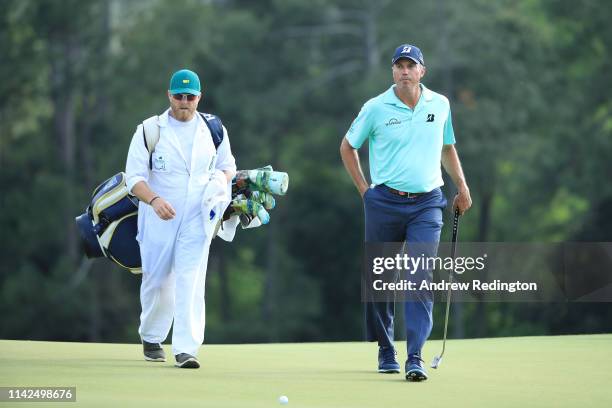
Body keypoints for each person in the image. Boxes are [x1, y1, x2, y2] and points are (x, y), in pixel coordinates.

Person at [340, 44, 472, 381]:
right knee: (380, 278)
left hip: (428, 203)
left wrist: (462, 186)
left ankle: (415, 356)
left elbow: (447, 147)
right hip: (383, 201)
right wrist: (364, 190)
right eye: (399, 66)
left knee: (418, 276)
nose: (404, 71)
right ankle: (386, 349)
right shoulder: (375, 107)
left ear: (421, 71)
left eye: (410, 66)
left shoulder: (439, 104)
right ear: (392, 71)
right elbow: (348, 146)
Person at [125, 69, 236, 368]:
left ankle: (186, 349)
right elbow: (133, 177)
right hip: (158, 216)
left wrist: (219, 186)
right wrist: (154, 200)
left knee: (191, 279)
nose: (184, 102)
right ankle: (151, 336)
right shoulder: (150, 130)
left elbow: (228, 167)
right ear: (169, 96)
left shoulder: (214, 129)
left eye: (190, 96)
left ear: (199, 97)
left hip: (197, 218)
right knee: (158, 281)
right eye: (179, 96)